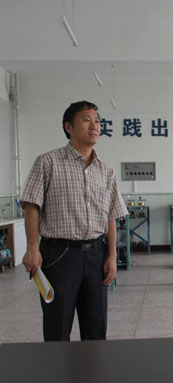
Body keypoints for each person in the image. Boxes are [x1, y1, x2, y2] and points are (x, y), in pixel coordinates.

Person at [21, 101, 127, 341]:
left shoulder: (106, 171)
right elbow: (31, 205)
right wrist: (32, 247)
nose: (94, 126)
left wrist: (111, 256)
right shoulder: (48, 162)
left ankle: (93, 367)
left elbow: (110, 215)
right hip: (60, 256)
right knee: (57, 329)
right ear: (68, 127)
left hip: (96, 255)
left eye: (97, 121)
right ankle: (58, 367)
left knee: (96, 329)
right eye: (87, 120)